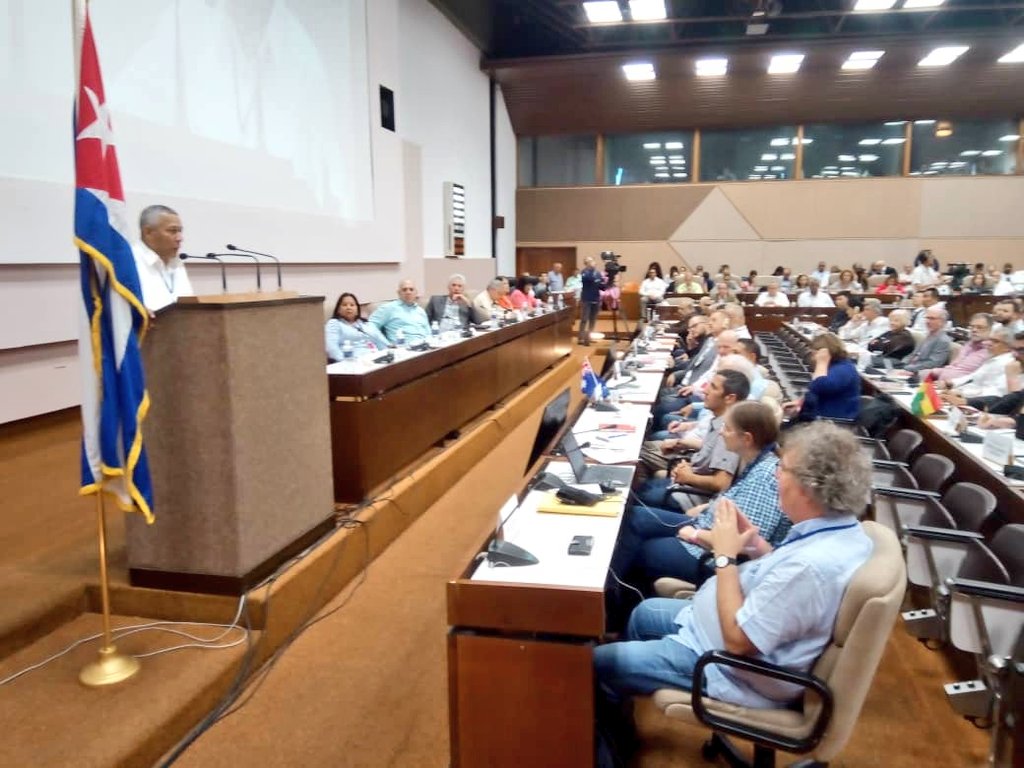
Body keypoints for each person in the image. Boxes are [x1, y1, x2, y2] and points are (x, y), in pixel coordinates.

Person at [594, 422, 874, 766]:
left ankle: (609, 750)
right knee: (644, 614)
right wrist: (755, 546)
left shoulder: (810, 568)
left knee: (595, 665)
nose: (776, 475)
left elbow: (739, 642)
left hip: (730, 668)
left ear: (810, 486)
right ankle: (622, 716)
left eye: (783, 468)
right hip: (718, 634)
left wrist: (725, 556)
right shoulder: (840, 531)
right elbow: (784, 582)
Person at [785, 332, 860, 421]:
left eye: (814, 353)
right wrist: (800, 403)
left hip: (831, 422)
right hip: (819, 416)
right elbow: (813, 392)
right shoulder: (834, 366)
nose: (813, 358)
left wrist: (821, 362)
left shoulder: (844, 369)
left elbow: (819, 386)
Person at [132, 204, 194, 311]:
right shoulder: (131, 262)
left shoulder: (177, 263)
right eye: (172, 231)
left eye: (180, 231)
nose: (180, 238)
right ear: (148, 232)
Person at [920, 313, 991, 383]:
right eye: (972, 327)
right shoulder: (968, 345)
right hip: (941, 382)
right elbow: (953, 367)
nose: (974, 330)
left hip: (958, 386)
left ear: (990, 330)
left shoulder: (990, 351)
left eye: (980, 327)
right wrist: (934, 372)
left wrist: (947, 382)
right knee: (922, 374)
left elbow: (974, 378)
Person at [325, 292, 389, 361]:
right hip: (354, 361)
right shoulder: (334, 323)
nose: (348, 307)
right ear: (338, 310)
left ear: (357, 310)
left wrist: (390, 352)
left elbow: (381, 341)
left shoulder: (366, 324)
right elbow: (331, 347)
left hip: (376, 358)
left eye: (352, 305)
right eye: (344, 305)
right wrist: (344, 362)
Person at [368, 280, 432, 345]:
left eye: (411, 289)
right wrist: (386, 344)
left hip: (426, 346)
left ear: (416, 293)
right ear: (399, 293)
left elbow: (429, 332)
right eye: (404, 290)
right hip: (405, 348)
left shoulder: (420, 310)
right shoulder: (389, 308)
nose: (408, 292)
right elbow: (370, 326)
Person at [901, 307, 952, 374]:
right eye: (927, 318)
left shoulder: (943, 340)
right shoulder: (928, 335)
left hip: (920, 373)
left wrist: (907, 368)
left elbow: (933, 363)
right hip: (908, 368)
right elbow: (913, 354)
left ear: (942, 322)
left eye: (932, 319)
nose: (927, 321)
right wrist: (902, 364)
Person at [578, 257, 604, 346]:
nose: (593, 262)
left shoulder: (598, 273)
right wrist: (596, 278)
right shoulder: (584, 272)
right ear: (586, 263)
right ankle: (581, 338)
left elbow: (601, 285)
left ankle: (589, 337)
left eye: (593, 261)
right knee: (584, 319)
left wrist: (606, 284)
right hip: (586, 299)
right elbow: (589, 279)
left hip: (596, 298)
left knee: (593, 320)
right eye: (590, 261)